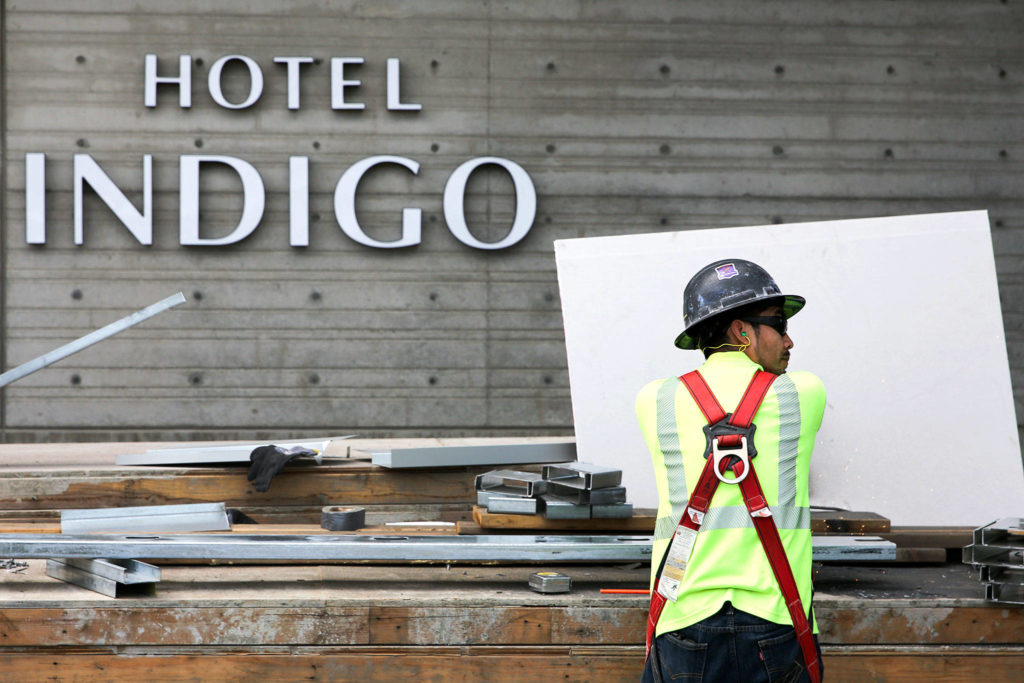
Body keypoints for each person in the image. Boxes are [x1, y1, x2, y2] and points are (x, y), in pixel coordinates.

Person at [635, 258, 826, 682]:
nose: (789, 340)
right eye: (778, 324)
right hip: (776, 619)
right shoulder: (804, 393)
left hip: (683, 621)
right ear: (742, 331)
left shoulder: (656, 399)